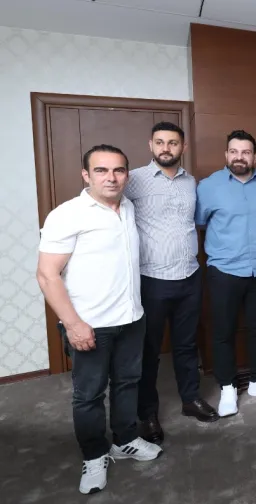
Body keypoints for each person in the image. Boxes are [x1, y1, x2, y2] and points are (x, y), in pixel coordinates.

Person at [37, 145, 162, 495]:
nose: (111, 178)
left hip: (131, 318)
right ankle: (94, 455)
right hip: (90, 324)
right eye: (101, 170)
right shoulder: (68, 214)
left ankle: (125, 440)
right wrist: (73, 324)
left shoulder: (128, 207)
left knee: (127, 383)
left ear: (127, 174)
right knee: (89, 395)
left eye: (118, 170)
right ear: (86, 175)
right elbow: (47, 275)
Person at [125, 122, 218, 446]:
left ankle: (190, 399)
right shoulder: (133, 179)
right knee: (148, 351)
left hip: (190, 276)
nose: (166, 148)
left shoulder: (191, 182)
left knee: (187, 345)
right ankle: (147, 414)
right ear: (151, 145)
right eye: (160, 142)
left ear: (183, 147)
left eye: (173, 143)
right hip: (151, 279)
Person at [195, 130, 256, 417]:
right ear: (226, 155)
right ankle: (227, 387)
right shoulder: (208, 186)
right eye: (234, 151)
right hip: (225, 271)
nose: (239, 157)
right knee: (223, 332)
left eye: (245, 152)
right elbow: (200, 222)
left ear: (255, 156)